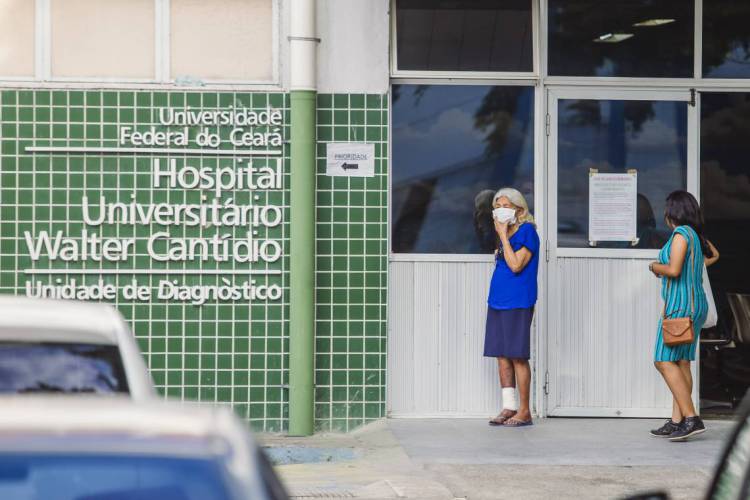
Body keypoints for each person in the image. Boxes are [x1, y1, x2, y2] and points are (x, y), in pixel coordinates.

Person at [648, 191, 718, 441]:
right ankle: (678, 420)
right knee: (681, 362)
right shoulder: (696, 236)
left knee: (663, 360)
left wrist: (654, 267)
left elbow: (673, 270)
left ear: (673, 212)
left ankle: (691, 418)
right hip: (694, 304)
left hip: (681, 306)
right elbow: (713, 256)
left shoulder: (680, 235)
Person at [484, 188, 539, 427]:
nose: (500, 211)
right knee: (501, 354)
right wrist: (502, 236)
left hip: (518, 300)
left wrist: (504, 236)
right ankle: (509, 406)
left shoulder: (527, 232)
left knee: (517, 354)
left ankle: (525, 411)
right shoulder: (505, 232)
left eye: (505, 205)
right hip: (498, 300)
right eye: (497, 207)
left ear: (519, 209)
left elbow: (516, 265)